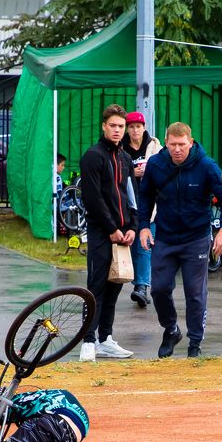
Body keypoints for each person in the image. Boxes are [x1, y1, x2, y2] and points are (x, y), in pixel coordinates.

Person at [138, 121, 222, 358]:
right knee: (159, 289)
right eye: (172, 144)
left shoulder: (206, 166)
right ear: (166, 143)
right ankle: (171, 329)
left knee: (195, 293)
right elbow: (146, 196)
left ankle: (195, 343)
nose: (177, 149)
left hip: (196, 239)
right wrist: (143, 227)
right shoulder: (156, 165)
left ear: (191, 143)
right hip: (166, 237)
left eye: (182, 144)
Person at [77, 104, 137, 362]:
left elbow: (132, 196)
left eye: (121, 127)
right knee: (97, 285)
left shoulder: (125, 159)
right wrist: (111, 229)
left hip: (125, 234)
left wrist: (133, 227)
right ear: (103, 126)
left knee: (116, 284)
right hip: (102, 232)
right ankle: (88, 341)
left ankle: (106, 338)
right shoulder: (93, 156)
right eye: (113, 125)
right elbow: (93, 198)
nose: (117, 130)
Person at [121, 110, 162, 309]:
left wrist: (150, 171)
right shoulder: (122, 148)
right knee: (131, 244)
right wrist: (131, 172)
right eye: (131, 127)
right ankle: (138, 283)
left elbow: (165, 166)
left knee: (145, 243)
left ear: (144, 127)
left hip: (150, 200)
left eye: (138, 126)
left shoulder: (154, 146)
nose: (135, 130)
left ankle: (142, 287)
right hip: (128, 201)